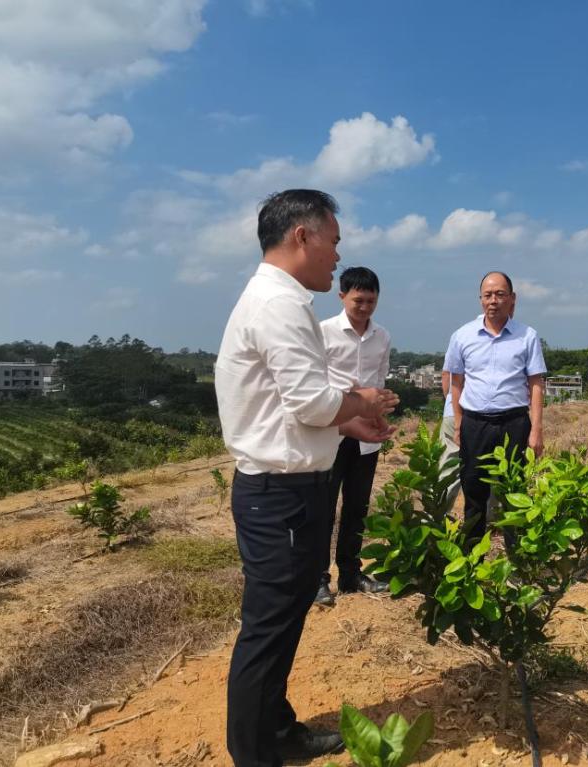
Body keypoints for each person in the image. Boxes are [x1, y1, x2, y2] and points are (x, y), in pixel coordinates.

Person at [215, 189, 398, 767]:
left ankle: (277, 731)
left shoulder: (279, 300)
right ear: (302, 235)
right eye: (333, 241)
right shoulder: (279, 303)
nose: (337, 256)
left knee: (285, 620)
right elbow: (311, 401)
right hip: (280, 494)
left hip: (292, 487)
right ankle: (255, 754)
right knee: (269, 630)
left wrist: (348, 425)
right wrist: (362, 399)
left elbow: (290, 407)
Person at [444, 272, 547, 540]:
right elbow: (456, 383)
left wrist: (536, 430)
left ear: (512, 298)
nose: (493, 300)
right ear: (480, 299)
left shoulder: (527, 336)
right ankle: (472, 555)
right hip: (475, 423)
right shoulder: (462, 336)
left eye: (500, 294)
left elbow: (536, 384)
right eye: (488, 295)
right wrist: (459, 423)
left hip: (514, 422)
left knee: (515, 492)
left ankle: (517, 556)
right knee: (473, 491)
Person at [314, 266, 392, 606]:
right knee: (324, 507)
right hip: (331, 431)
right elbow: (315, 382)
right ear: (342, 296)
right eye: (358, 300)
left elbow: (380, 381)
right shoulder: (323, 332)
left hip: (366, 437)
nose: (364, 307)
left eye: (371, 301)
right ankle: (318, 579)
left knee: (357, 506)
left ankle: (350, 574)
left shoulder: (382, 337)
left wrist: (379, 414)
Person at [437, 369, 462, 513]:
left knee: (448, 469)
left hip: (452, 411)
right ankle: (491, 519)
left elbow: (446, 375)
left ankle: (437, 515)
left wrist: (450, 399)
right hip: (485, 412)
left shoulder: (455, 349)